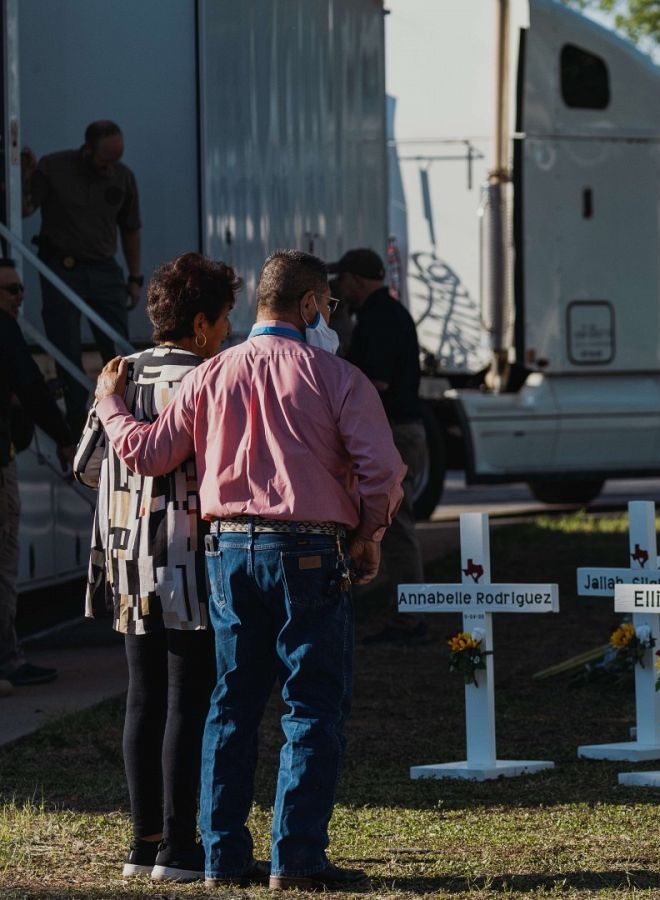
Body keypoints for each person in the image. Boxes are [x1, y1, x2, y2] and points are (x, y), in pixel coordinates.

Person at [92, 250, 403, 891]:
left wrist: (109, 404)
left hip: (228, 549)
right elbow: (383, 471)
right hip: (311, 549)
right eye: (328, 306)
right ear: (311, 304)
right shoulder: (338, 377)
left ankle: (222, 857)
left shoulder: (212, 375)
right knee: (311, 707)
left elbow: (148, 453)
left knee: (230, 706)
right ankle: (297, 861)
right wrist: (370, 534)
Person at [72, 253, 237, 883]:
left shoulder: (119, 373)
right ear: (200, 325)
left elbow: (87, 466)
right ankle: (178, 846)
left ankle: (143, 843)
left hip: (125, 554)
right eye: (224, 320)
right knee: (187, 702)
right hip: (189, 555)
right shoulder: (213, 376)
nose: (228, 331)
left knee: (142, 700)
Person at [331, 248, 427, 642]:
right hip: (405, 428)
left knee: (397, 523)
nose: (342, 290)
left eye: (343, 282)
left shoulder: (377, 318)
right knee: (393, 522)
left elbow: (377, 383)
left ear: (355, 279)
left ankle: (411, 616)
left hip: (397, 431)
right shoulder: (388, 313)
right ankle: (400, 608)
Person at [23, 120, 143, 420]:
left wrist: (135, 277)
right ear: (87, 149)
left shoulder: (123, 176)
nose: (109, 167)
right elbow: (24, 208)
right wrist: (24, 174)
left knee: (119, 356)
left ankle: (126, 425)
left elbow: (130, 230)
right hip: (63, 270)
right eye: (105, 160)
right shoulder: (54, 168)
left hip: (104, 271)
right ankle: (76, 431)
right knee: (67, 354)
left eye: (116, 159)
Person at [0, 258, 73, 692]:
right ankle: (7, 660)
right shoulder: (5, 329)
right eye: (10, 289)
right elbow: (32, 387)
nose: (19, 296)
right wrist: (64, 437)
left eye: (21, 288)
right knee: (4, 561)